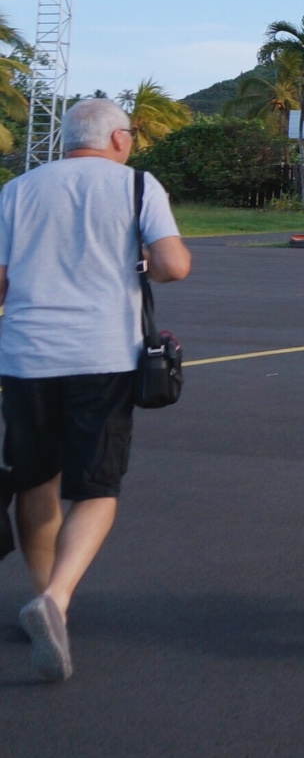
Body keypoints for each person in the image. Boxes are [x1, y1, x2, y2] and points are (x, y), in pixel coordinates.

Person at [0, 99, 190, 683]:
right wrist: (144, 265)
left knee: (36, 478)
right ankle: (55, 599)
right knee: (98, 486)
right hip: (101, 355)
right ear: (117, 138)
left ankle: (46, 596)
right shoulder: (137, 185)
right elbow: (173, 265)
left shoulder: (18, 189)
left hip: (26, 353)